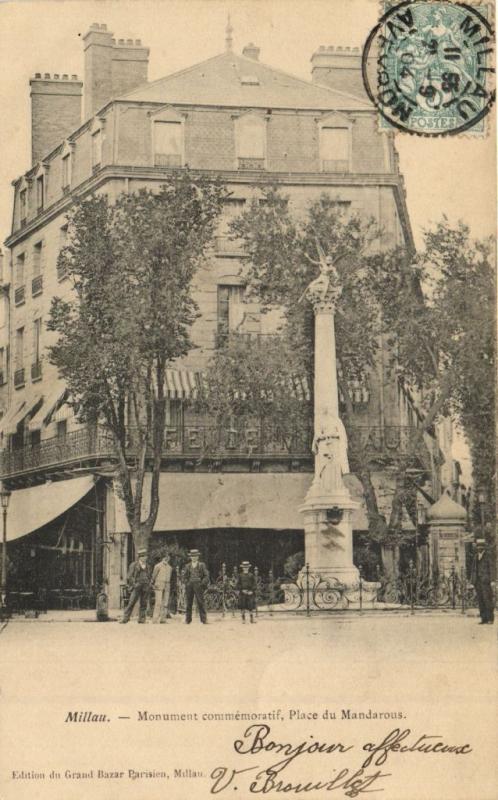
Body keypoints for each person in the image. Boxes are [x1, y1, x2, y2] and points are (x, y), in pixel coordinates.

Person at [120, 549, 150, 624]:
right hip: (137, 586)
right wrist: (134, 584)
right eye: (143, 556)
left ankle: (142, 620)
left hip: (145, 586)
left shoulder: (148, 566)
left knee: (144, 603)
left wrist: (148, 583)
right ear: (140, 557)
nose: (145, 558)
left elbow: (149, 575)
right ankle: (125, 619)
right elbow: (129, 576)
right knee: (131, 602)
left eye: (145, 556)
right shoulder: (134, 565)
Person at [471, 539, 495, 625]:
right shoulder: (475, 557)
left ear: (484, 547)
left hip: (486, 581)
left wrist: (492, 580)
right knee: (480, 600)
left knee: (487, 600)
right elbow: (473, 569)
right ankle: (483, 618)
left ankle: (490, 619)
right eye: (478, 546)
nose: (479, 548)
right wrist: (472, 581)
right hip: (478, 582)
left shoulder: (488, 556)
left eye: (481, 546)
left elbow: (492, 568)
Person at [183, 549, 209, 624]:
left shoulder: (202, 565)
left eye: (195, 556)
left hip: (198, 585)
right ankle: (188, 620)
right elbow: (184, 576)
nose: (194, 557)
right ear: (190, 557)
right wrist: (187, 583)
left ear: (198, 557)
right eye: (192, 556)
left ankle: (204, 619)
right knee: (189, 603)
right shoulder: (187, 566)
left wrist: (202, 583)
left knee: (201, 602)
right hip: (190, 585)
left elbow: (206, 575)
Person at [151, 553, 172, 624]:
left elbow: (170, 578)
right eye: (165, 557)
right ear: (162, 558)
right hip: (158, 586)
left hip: (167, 586)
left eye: (168, 557)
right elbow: (153, 576)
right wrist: (153, 584)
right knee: (158, 602)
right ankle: (155, 619)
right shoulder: (157, 566)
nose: (166, 558)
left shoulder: (170, 568)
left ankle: (163, 619)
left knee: (165, 603)